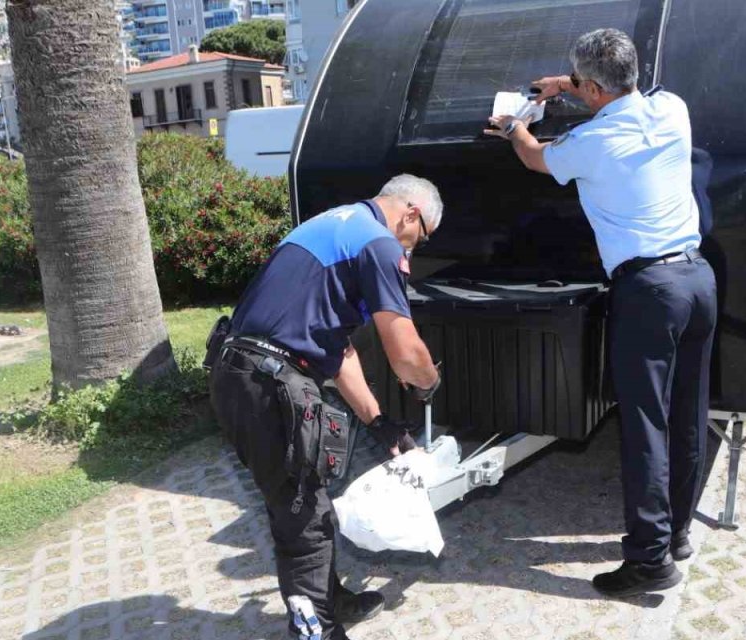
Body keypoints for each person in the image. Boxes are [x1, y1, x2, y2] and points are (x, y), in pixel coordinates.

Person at [484, 28, 718, 598]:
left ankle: (647, 561)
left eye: (582, 86)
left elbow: (537, 158)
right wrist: (567, 86)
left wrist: (514, 124)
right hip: (697, 279)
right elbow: (622, 90)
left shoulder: (591, 142)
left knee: (645, 426)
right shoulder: (671, 109)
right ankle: (677, 533)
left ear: (592, 89)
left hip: (649, 290)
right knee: (689, 413)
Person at [209, 175, 444, 639]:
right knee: (305, 518)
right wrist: (429, 382)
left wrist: (378, 422)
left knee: (298, 501)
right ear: (412, 213)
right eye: (423, 237)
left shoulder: (331, 225)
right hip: (271, 382)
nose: (416, 248)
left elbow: (336, 351)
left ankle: (331, 602)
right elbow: (405, 352)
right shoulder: (379, 243)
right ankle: (316, 632)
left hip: (237, 374)